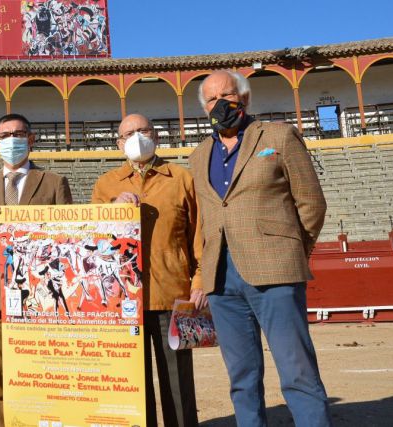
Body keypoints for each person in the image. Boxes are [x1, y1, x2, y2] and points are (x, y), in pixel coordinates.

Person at [188, 70, 331, 426]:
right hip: (221, 278)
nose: (220, 104)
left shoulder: (279, 136)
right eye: (211, 99)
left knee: (296, 371)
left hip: (276, 272)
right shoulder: (198, 155)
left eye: (227, 95)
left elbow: (311, 203)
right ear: (203, 107)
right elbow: (207, 217)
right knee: (241, 377)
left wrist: (292, 252)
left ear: (245, 98)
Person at [91, 113, 204, 427]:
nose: (136, 137)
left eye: (142, 130)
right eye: (128, 133)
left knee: (177, 381)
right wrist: (112, 208)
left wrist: (201, 279)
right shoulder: (105, 184)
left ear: (156, 136)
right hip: (124, 300)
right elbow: (93, 239)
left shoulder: (181, 178)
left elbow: (199, 235)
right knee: (132, 382)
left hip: (172, 292)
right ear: (118, 143)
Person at [0, 113, 72, 427]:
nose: (12, 139)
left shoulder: (54, 182)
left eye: (19, 133)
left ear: (31, 138)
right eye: (6, 135)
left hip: (41, 295)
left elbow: (68, 238)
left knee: (41, 377)